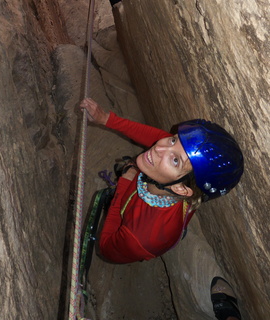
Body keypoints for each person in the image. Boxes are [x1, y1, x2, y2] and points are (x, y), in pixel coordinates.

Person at [80, 97, 244, 265]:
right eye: (173, 140)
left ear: (181, 189)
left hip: (138, 229)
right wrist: (107, 119)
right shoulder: (188, 181)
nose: (159, 147)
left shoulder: (138, 238)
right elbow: (157, 136)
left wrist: (124, 183)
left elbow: (106, 247)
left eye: (175, 160)